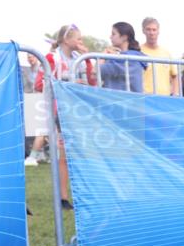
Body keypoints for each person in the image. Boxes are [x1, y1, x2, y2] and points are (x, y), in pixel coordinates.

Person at [33, 24, 94, 209]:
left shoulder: (80, 59)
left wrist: (88, 60)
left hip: (79, 112)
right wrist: (67, 83)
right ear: (67, 40)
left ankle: (82, 193)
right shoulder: (52, 58)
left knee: (81, 154)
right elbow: (39, 84)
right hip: (60, 111)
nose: (81, 42)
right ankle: (63, 197)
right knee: (64, 155)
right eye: (78, 38)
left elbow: (92, 82)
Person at [99, 22, 148, 92]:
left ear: (124, 37)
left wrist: (104, 53)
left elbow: (96, 71)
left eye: (113, 34)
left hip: (123, 98)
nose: (110, 37)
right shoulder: (124, 57)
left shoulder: (128, 60)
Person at [140, 17, 179, 95]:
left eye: (154, 30)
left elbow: (174, 76)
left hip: (164, 99)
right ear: (143, 31)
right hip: (144, 97)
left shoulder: (166, 53)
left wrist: (175, 94)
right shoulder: (138, 52)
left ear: (158, 31)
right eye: (148, 29)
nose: (151, 33)